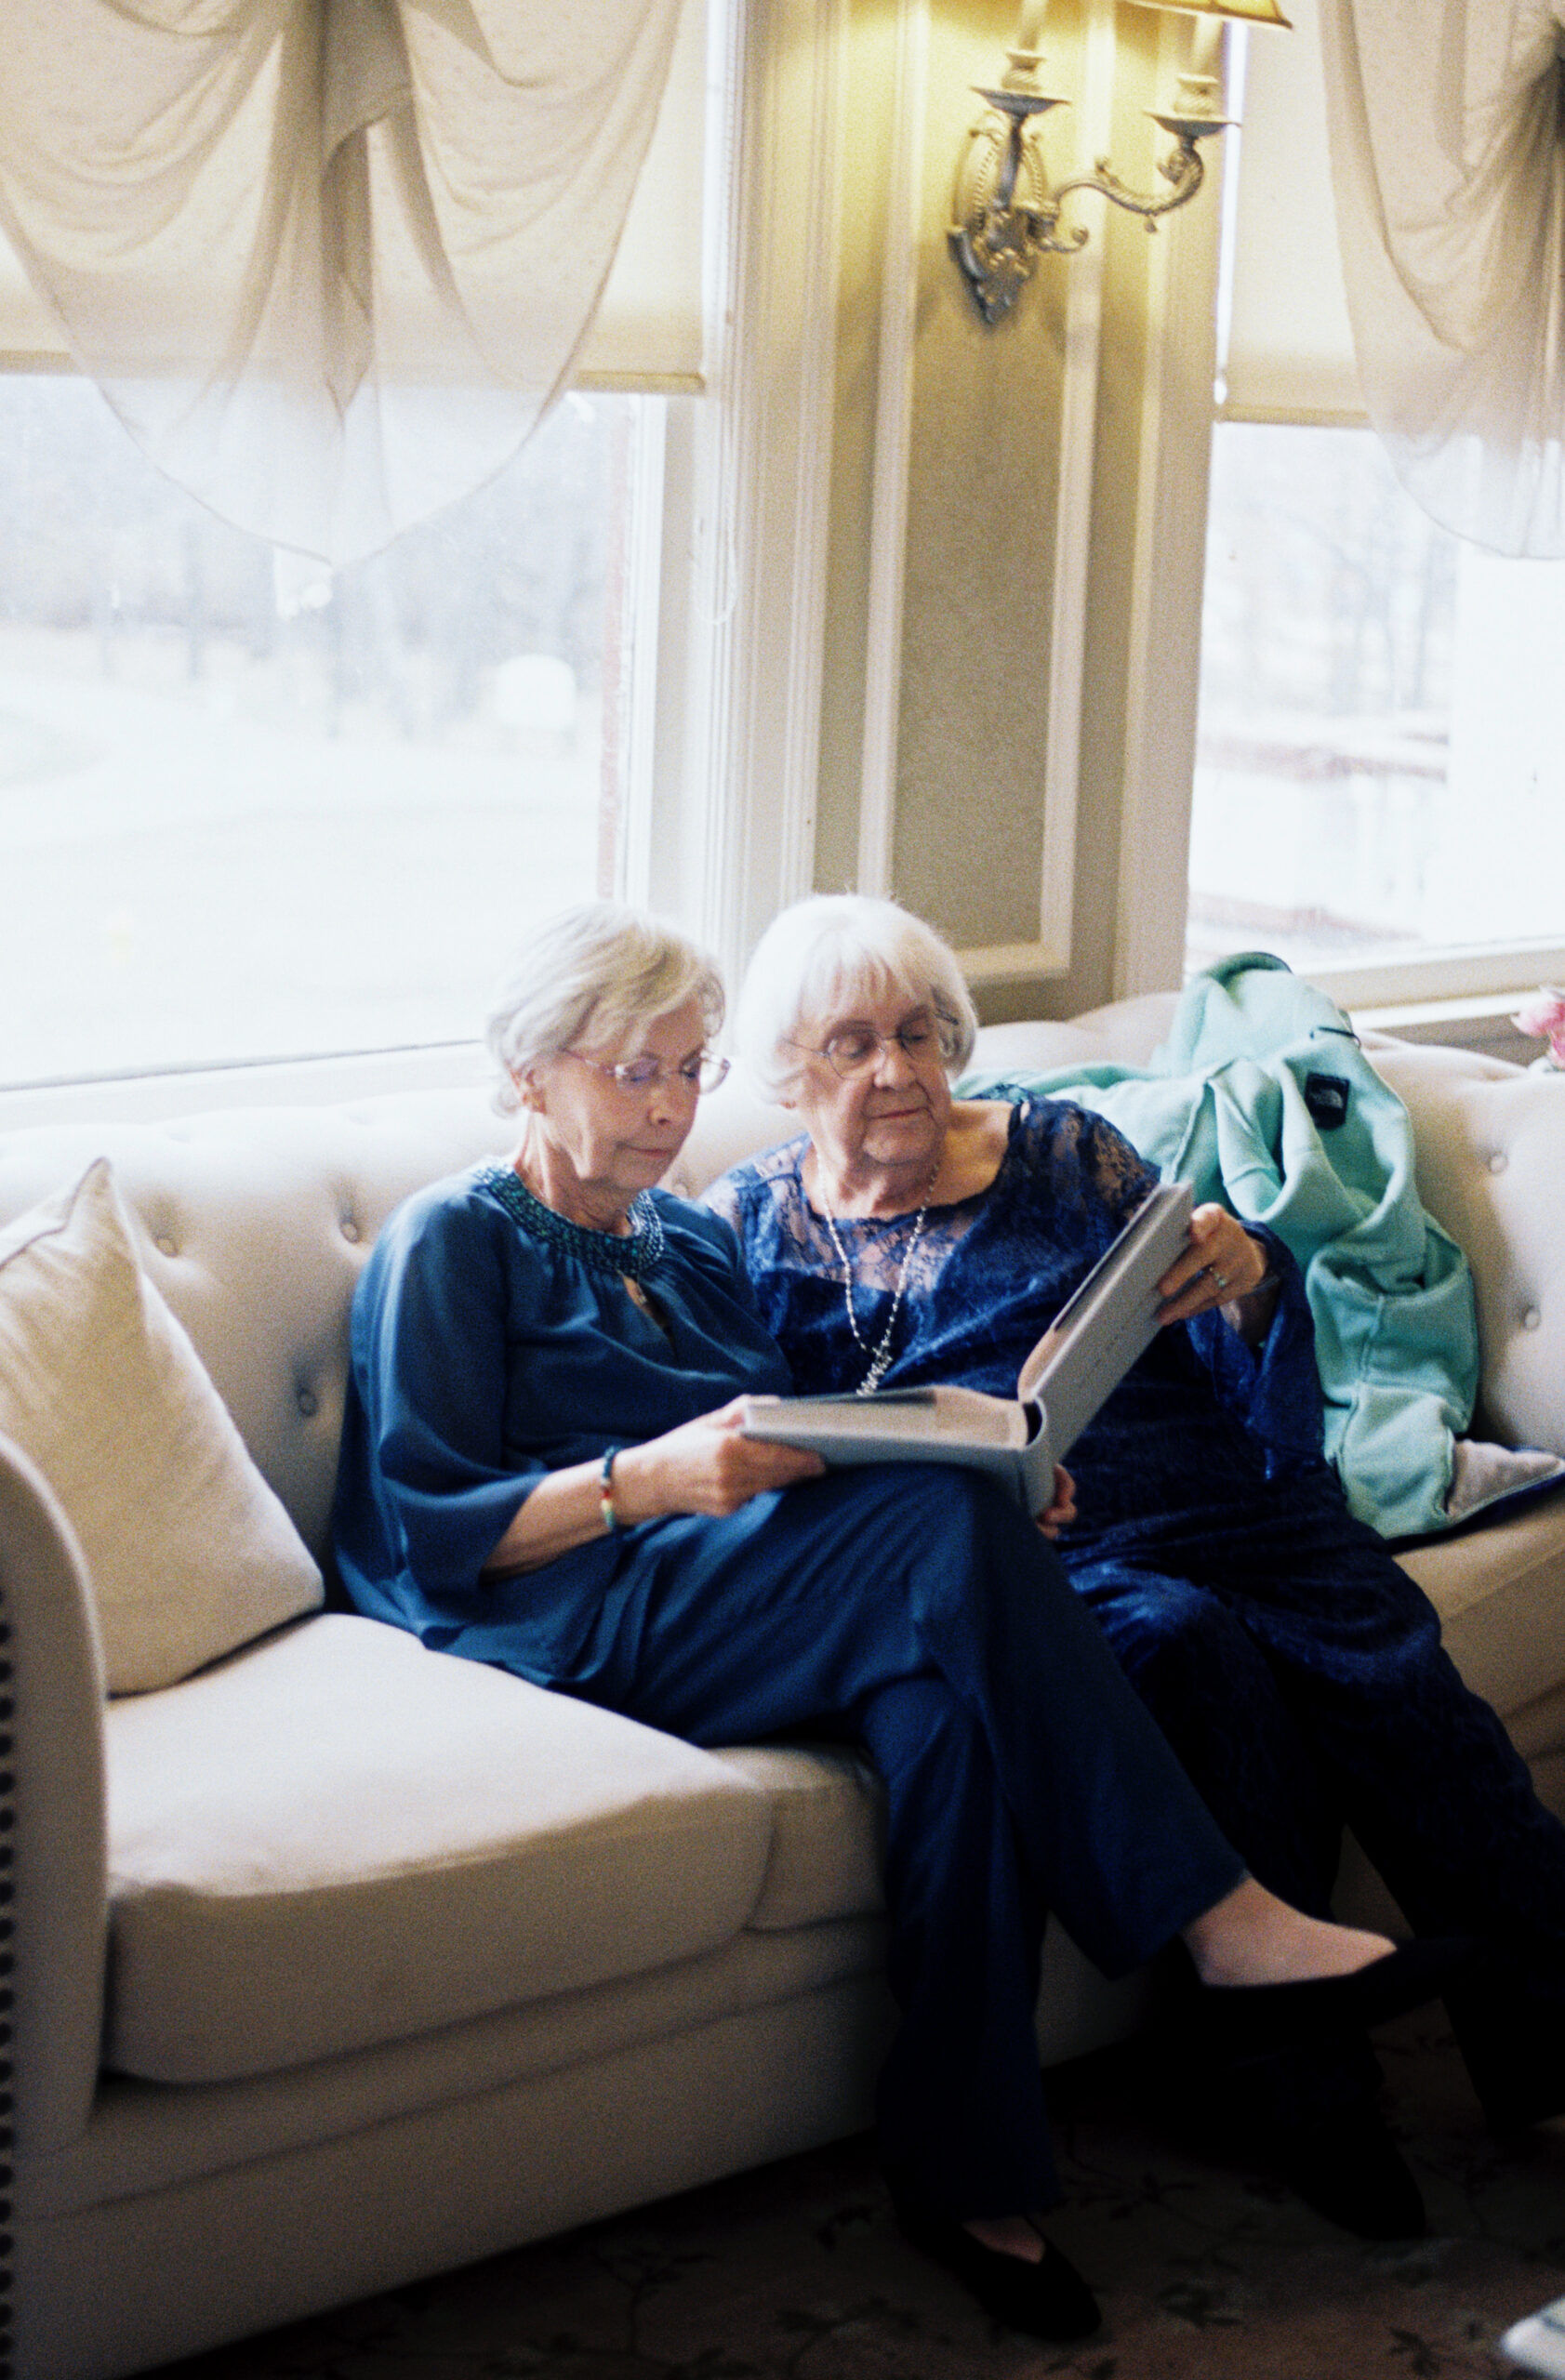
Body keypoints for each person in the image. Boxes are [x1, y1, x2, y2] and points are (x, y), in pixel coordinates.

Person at [331, 902, 1459, 2342]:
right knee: (941, 1544)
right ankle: (1223, 1923)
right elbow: (423, 1529)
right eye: (635, 1073)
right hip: (576, 1616)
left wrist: (978, 1470)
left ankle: (966, 2172)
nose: (672, 1110)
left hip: (733, 1596)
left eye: (691, 1070)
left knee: (950, 1710)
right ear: (532, 1071)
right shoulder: (453, 1239)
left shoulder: (686, 1243)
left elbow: (799, 1439)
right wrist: (638, 1480)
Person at [711, 891, 1565, 2238]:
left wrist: (1251, 1275)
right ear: (785, 1072)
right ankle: (1310, 2099)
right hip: (1040, 1551)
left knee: (1403, 1690)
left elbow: (1226, 1348)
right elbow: (776, 1463)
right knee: (1190, 1659)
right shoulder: (748, 1231)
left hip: (1225, 1497)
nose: (899, 1072)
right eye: (854, 1044)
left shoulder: (1063, 1150)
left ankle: (1547, 2042)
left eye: (923, 1035)